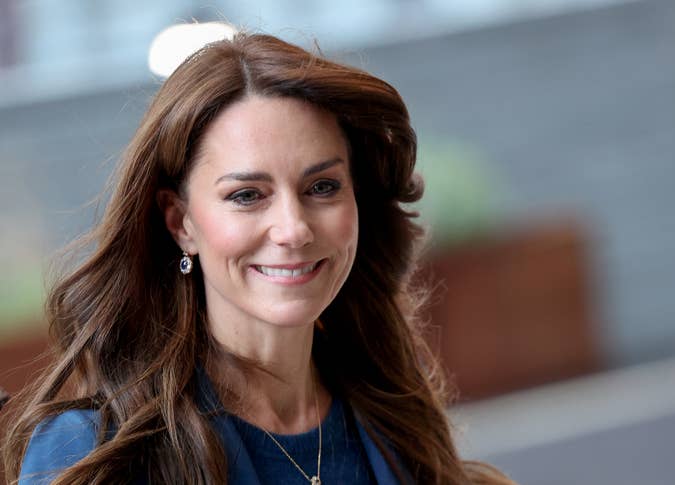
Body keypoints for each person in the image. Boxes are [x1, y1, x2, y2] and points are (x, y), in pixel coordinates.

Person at [2, 32, 515, 484]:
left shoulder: (400, 423)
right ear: (181, 222)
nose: (293, 229)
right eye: (247, 195)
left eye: (322, 186)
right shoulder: (93, 454)